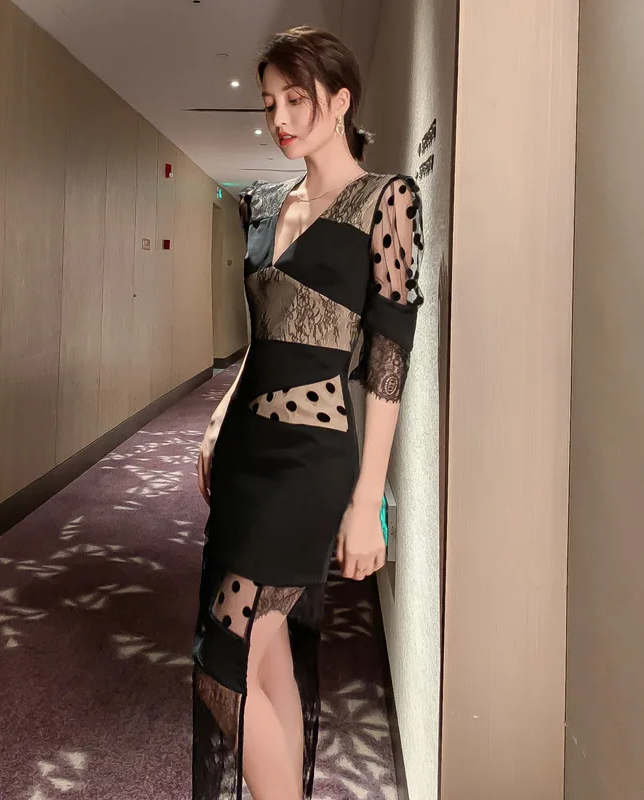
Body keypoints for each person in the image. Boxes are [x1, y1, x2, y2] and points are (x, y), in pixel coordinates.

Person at [191, 25, 424, 800]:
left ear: (341, 100)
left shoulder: (387, 200)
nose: (280, 118)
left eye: (296, 98)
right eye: (269, 104)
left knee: (222, 663)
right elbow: (263, 338)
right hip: (245, 455)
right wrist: (219, 419)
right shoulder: (268, 202)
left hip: (308, 462)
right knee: (268, 657)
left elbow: (388, 359)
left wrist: (369, 502)